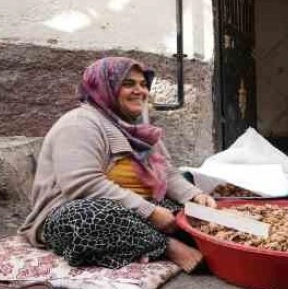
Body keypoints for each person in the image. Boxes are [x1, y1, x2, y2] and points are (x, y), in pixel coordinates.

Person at [18, 57, 216, 272]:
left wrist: (194, 196)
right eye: (128, 84)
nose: (140, 91)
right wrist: (150, 212)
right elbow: (82, 185)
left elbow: (167, 173)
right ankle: (167, 247)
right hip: (71, 211)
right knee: (88, 218)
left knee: (200, 217)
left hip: (135, 208)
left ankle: (158, 240)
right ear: (104, 87)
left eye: (143, 84)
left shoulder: (140, 129)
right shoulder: (79, 124)